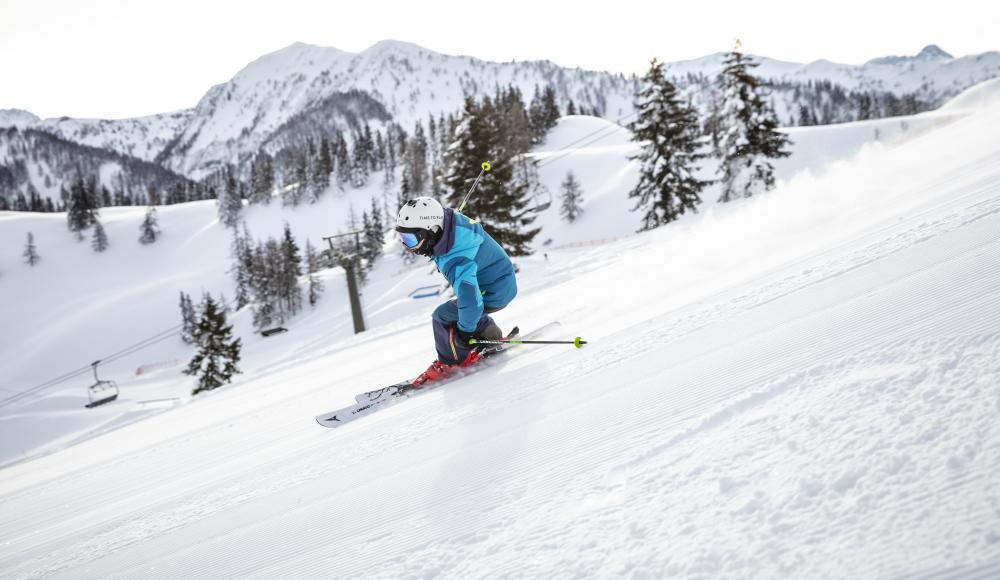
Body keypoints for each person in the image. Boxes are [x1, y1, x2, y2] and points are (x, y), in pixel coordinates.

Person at [395, 196, 517, 385]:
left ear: (431, 231)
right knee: (461, 311)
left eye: (410, 239)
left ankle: (451, 362)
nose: (407, 247)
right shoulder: (448, 227)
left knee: (442, 316)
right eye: (403, 238)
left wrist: (465, 332)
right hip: (500, 280)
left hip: (494, 290)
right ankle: (488, 333)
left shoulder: (457, 258)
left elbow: (471, 299)